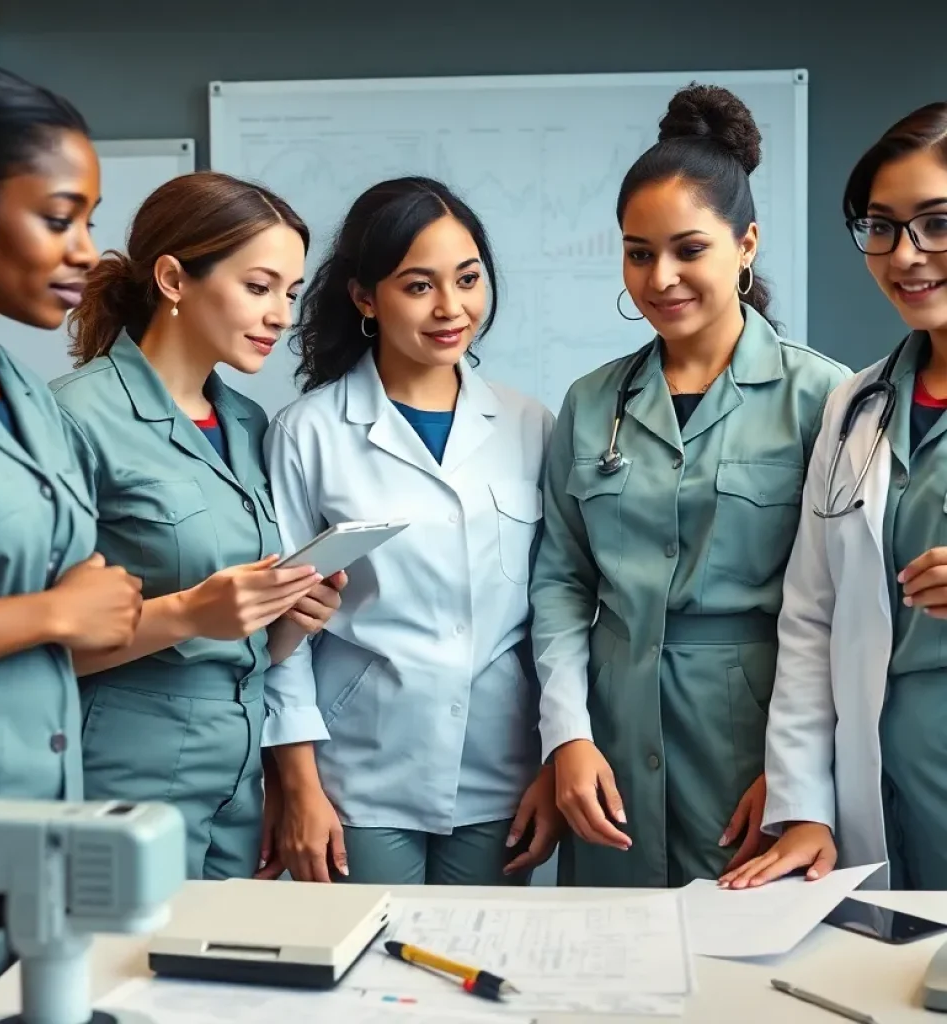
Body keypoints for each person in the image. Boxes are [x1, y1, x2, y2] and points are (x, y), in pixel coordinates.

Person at [530, 84, 850, 890]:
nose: (660, 277)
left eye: (688, 249)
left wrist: (801, 778)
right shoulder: (591, 401)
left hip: (753, 740)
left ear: (746, 245)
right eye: (639, 252)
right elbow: (563, 584)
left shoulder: (825, 398)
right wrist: (566, 736)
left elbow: (846, 610)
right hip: (610, 744)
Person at [263, 176, 562, 886]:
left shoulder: (531, 426)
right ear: (366, 298)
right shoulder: (308, 434)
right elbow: (282, 631)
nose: (451, 308)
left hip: (500, 770)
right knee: (365, 983)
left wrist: (555, 758)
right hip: (358, 775)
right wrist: (300, 789)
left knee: (484, 972)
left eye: (467, 279)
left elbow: (557, 609)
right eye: (418, 286)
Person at [0, 68, 143, 1023]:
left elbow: (77, 619)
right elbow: (57, 610)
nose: (88, 254)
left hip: (42, 821)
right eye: (60, 219)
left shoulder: (25, 394)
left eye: (91, 222)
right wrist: (54, 612)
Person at [51, 171, 345, 882]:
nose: (280, 314)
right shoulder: (73, 417)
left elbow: (239, 647)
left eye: (291, 293)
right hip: (122, 784)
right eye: (259, 286)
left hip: (236, 792)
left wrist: (293, 618)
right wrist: (188, 613)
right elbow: (38, 649)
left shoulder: (247, 424)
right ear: (174, 279)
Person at [721, 102, 947, 893]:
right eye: (880, 226)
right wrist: (805, 803)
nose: (905, 255)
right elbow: (812, 619)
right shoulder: (857, 404)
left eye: (936, 223)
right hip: (878, 792)